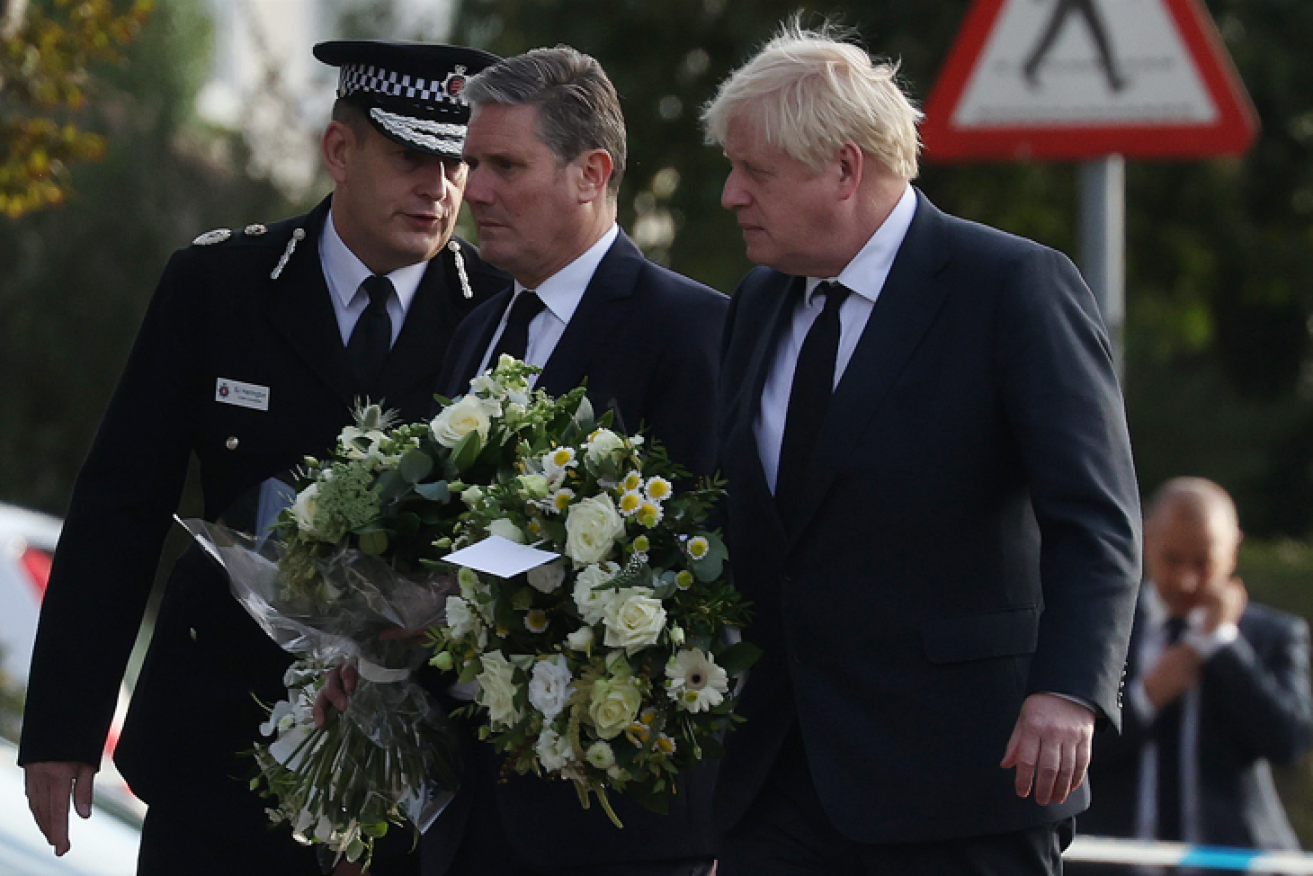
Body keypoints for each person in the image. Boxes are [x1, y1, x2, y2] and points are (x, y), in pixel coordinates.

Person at [19, 39, 504, 876]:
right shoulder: (221, 285)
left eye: (457, 163)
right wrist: (63, 728)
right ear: (340, 150)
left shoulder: (499, 319)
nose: (439, 188)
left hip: (407, 783)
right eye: (411, 157)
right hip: (215, 753)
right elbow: (120, 510)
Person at [701, 21, 1142, 876]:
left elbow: (1096, 518)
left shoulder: (1010, 287)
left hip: (965, 778)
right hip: (776, 783)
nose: (730, 195)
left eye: (752, 170)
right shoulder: (756, 303)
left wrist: (1068, 690)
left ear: (843, 168)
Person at [429, 44, 727, 876]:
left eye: (503, 165)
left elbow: (693, 576)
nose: (472, 191)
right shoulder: (473, 332)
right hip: (466, 817)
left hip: (613, 824)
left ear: (590, 173)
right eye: (470, 164)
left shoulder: (691, 334)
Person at [1080, 477, 1313, 852]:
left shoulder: (1272, 635)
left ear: (1233, 550)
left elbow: (1289, 742)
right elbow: (1071, 752)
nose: (1187, 581)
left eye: (1204, 563)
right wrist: (1146, 698)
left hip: (1236, 859)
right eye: (1172, 560)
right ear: (1147, 538)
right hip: (1115, 856)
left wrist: (1220, 643)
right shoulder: (1104, 631)